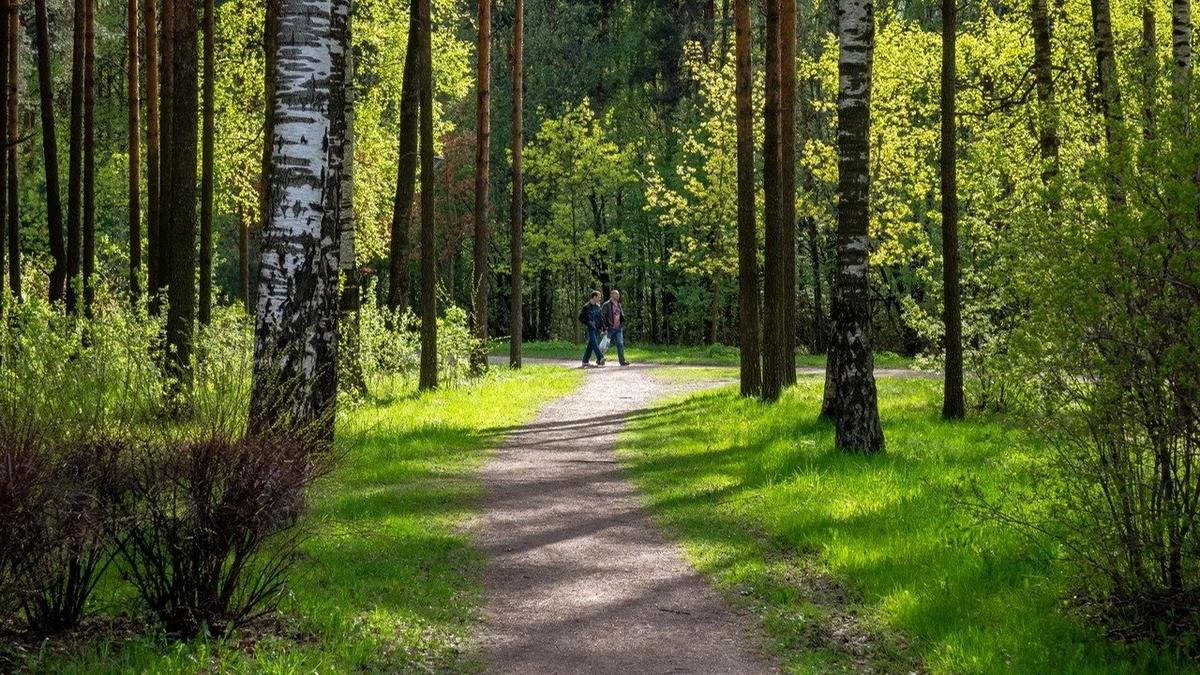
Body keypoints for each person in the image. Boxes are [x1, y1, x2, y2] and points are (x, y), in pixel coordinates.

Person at [601, 289, 630, 366]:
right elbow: (602, 317)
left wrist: (622, 320)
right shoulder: (606, 304)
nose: (618, 296)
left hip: (618, 328)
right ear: (611, 295)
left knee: (620, 344)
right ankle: (599, 358)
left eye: (618, 294)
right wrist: (604, 328)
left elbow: (621, 314)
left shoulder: (618, 304)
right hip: (609, 328)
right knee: (605, 345)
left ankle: (622, 361)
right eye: (616, 294)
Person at [578, 290, 604, 367]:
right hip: (591, 328)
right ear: (594, 297)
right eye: (599, 297)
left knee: (591, 345)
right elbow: (580, 318)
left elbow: (600, 318)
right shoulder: (586, 306)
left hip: (597, 328)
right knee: (595, 343)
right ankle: (600, 357)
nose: (600, 299)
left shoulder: (598, 306)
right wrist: (588, 323)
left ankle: (585, 361)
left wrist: (603, 328)